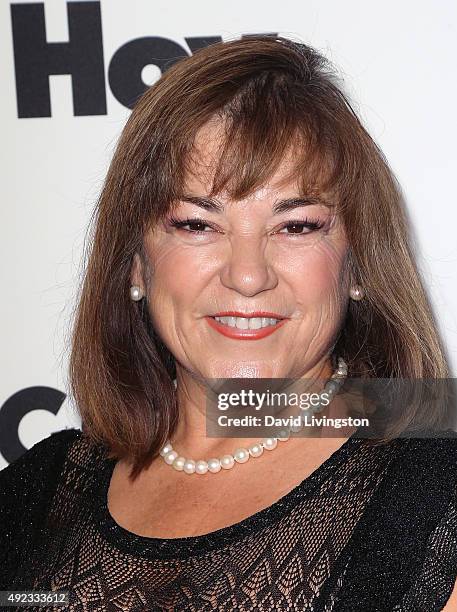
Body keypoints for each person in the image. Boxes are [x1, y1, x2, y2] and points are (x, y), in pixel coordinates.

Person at [1, 35, 457, 611]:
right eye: (197, 225)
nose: (247, 276)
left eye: (295, 227)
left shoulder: (439, 493)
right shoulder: (35, 493)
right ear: (136, 263)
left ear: (357, 264)